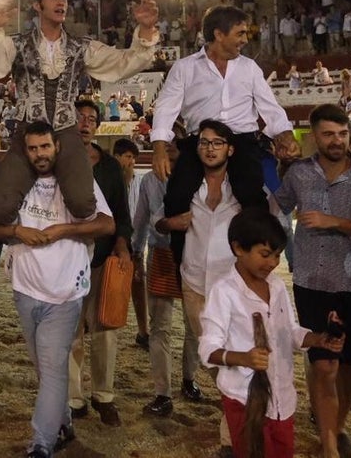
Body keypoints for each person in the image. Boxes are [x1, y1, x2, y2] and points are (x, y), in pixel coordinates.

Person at [0, 0, 157, 223]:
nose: (61, 1)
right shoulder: (17, 43)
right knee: (1, 209)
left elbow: (123, 62)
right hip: (27, 131)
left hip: (66, 130)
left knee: (82, 204)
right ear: (37, 5)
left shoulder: (81, 47)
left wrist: (147, 30)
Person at [0, 121, 115, 458]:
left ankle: (41, 442)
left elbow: (107, 223)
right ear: (25, 152)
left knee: (52, 368)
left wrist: (64, 229)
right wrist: (18, 232)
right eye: (33, 148)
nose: (40, 154)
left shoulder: (77, 184)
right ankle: (64, 422)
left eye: (45, 147)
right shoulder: (16, 185)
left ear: (57, 147)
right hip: (25, 290)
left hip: (65, 292)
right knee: (45, 368)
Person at [271, 104, 351, 458]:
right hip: (311, 282)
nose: (337, 141)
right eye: (328, 134)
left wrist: (334, 222)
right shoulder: (298, 175)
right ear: (314, 137)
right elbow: (277, 206)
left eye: (342, 134)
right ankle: (331, 445)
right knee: (323, 365)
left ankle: (337, 428)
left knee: (349, 363)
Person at [151, 5, 299, 267]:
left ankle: (256, 263)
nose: (245, 39)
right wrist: (160, 148)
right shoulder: (185, 68)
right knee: (176, 197)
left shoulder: (249, 68)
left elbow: (269, 106)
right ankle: (182, 266)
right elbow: (166, 107)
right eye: (240, 33)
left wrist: (285, 135)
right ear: (219, 34)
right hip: (199, 141)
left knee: (252, 197)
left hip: (242, 140)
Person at [198, 209, 345, 458]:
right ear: (238, 248)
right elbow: (207, 349)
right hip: (245, 400)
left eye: (277, 255)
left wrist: (320, 339)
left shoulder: (276, 285)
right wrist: (243, 358)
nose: (273, 263)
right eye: (265, 254)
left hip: (282, 398)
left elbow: (290, 331)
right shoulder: (224, 292)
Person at [157, 119, 241, 454]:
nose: (209, 148)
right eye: (204, 142)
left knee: (235, 360)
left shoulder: (243, 189)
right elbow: (160, 222)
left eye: (217, 142)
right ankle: (236, 415)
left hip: (233, 286)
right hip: (194, 283)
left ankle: (230, 437)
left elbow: (270, 221)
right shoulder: (186, 187)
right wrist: (170, 223)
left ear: (230, 149)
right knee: (212, 360)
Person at [67, 100, 133, 426]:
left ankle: (104, 395)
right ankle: (73, 397)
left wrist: (122, 245)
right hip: (67, 260)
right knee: (71, 331)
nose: (85, 123)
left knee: (106, 329)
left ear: (98, 126)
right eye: (80, 117)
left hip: (103, 259)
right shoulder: (59, 160)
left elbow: (122, 215)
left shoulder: (109, 167)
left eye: (91, 118)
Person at [131, 131, 203, 417]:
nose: (170, 144)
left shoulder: (196, 175)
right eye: (165, 140)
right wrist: (136, 251)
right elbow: (140, 218)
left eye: (175, 139)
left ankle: (188, 378)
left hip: (190, 254)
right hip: (163, 253)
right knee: (161, 326)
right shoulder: (149, 180)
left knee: (194, 324)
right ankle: (164, 391)